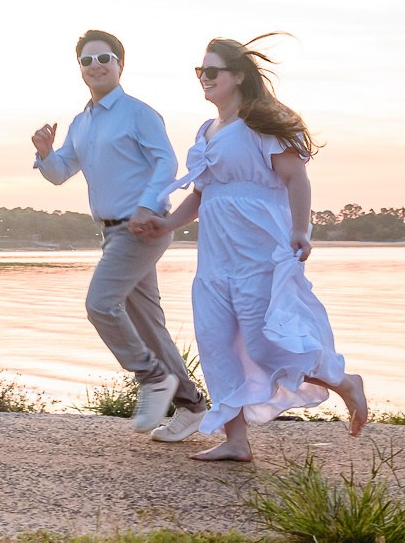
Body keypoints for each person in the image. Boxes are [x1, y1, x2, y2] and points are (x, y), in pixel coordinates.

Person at [150, 36, 367, 462]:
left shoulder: (262, 122)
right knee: (216, 348)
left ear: (238, 76)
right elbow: (201, 194)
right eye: (200, 71)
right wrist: (166, 224)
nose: (204, 78)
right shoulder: (206, 131)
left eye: (212, 71)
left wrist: (300, 230)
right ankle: (236, 441)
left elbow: (296, 178)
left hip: (259, 255)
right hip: (215, 260)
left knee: (266, 345)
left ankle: (344, 382)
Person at [32, 29, 208, 440]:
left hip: (141, 227)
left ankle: (153, 379)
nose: (95, 66)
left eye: (104, 58)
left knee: (100, 304)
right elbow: (60, 173)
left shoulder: (138, 113)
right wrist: (44, 152)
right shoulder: (81, 123)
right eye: (87, 61)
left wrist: (147, 204)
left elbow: (165, 163)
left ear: (120, 64)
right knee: (148, 325)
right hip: (112, 232)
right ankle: (191, 406)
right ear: (79, 69)